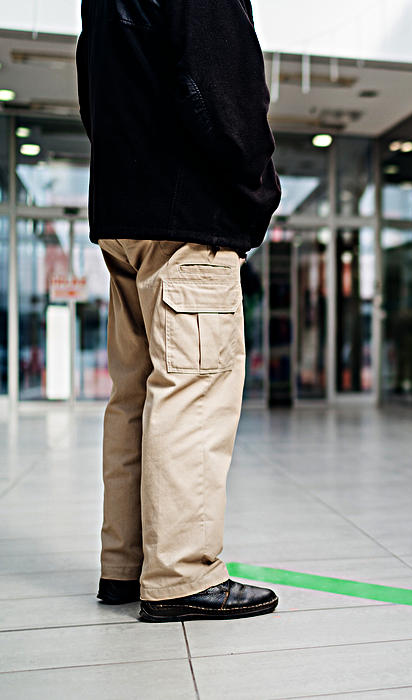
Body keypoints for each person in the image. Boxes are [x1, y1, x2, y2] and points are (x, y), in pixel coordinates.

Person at [78, 0, 282, 620]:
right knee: (194, 392)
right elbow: (228, 98)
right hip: (188, 219)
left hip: (124, 217)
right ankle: (182, 574)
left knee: (134, 397)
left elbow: (92, 97)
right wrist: (258, 196)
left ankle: (127, 563)